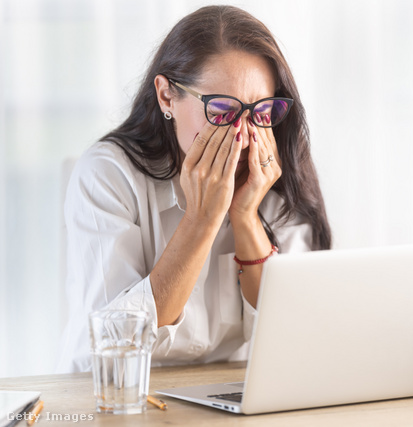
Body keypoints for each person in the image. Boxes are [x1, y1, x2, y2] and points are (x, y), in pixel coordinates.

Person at [56, 5, 331, 373]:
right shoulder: (108, 174)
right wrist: (203, 218)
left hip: (235, 402)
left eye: (261, 111)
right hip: (120, 398)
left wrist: (245, 217)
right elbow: (115, 343)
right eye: (222, 110)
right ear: (167, 96)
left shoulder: (277, 173)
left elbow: (299, 333)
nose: (245, 134)